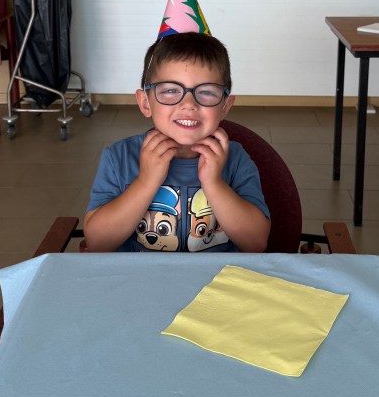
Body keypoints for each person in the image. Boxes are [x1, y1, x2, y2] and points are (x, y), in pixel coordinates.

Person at [84, 32, 270, 252]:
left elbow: (255, 243)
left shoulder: (236, 158)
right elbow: (98, 243)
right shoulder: (118, 158)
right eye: (171, 90)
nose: (188, 104)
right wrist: (146, 181)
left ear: (225, 107)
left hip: (217, 274)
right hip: (138, 273)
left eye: (207, 92)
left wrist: (214, 183)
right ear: (145, 103)